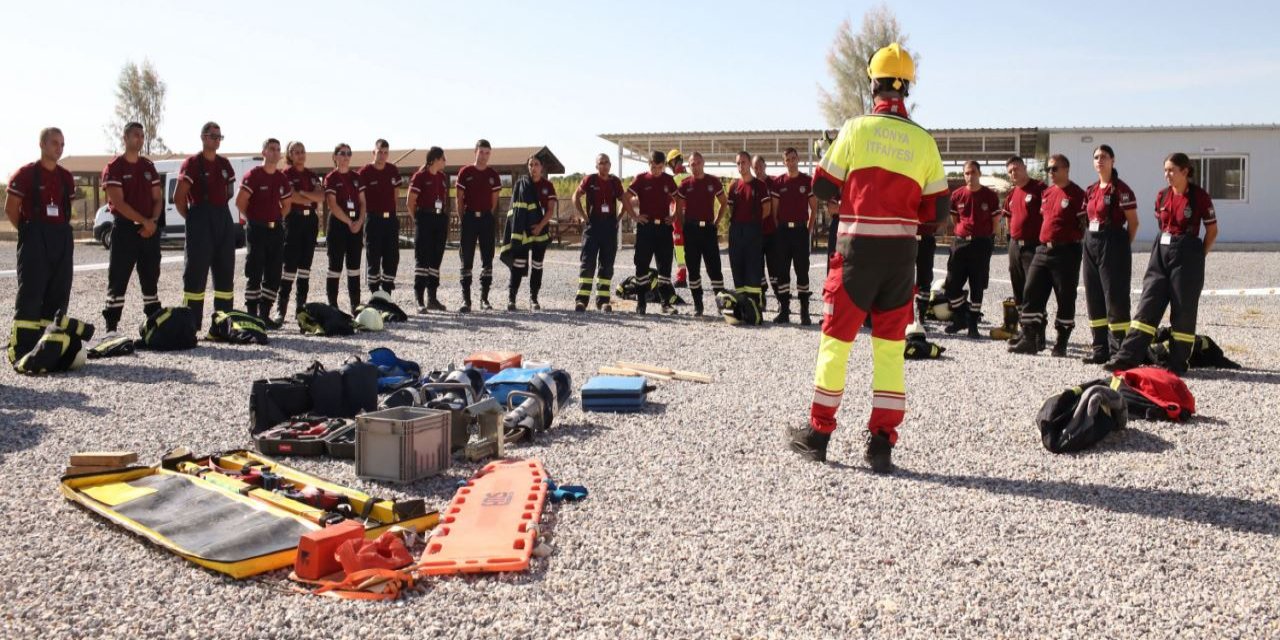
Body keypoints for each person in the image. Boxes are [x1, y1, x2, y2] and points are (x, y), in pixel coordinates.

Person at [788, 43, 948, 473]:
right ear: (906, 89)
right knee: (890, 351)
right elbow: (938, 213)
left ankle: (818, 435)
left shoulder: (855, 129)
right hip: (900, 258)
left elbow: (822, 187)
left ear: (873, 83)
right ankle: (881, 445)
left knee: (835, 344)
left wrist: (855, 191)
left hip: (856, 252)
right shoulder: (924, 141)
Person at [1105, 153, 1218, 374]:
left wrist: (1198, 256)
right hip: (1161, 250)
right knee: (1148, 303)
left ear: (1185, 171)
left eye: (1171, 170)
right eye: (1165, 170)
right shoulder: (1162, 196)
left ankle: (1177, 363)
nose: (1167, 174)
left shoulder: (1199, 197)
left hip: (1188, 253)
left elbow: (1212, 231)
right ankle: (1127, 357)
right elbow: (1161, 223)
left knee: (1183, 309)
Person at [6, 127, 76, 363]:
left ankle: (49, 344)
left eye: (62, 144)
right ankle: (22, 348)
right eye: (55, 143)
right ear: (42, 145)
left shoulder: (66, 177)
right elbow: (11, 209)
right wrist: (29, 234)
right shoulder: (25, 174)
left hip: (62, 239)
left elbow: (68, 211)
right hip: (35, 238)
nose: (59, 148)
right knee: (31, 294)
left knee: (59, 292)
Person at [1009, 154, 1086, 357]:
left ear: (1066, 169)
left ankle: (1061, 341)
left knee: (1065, 296)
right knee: (1031, 291)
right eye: (1048, 169)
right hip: (1042, 250)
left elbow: (1083, 224)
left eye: (1054, 169)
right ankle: (1029, 339)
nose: (1050, 173)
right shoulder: (1048, 193)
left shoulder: (1077, 194)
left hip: (1066, 251)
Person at [173, 122, 238, 330]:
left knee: (225, 271)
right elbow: (179, 197)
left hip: (223, 218)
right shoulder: (192, 163)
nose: (217, 140)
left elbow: (229, 193)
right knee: (196, 273)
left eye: (220, 137)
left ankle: (223, 323)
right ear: (203, 137)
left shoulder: (225, 164)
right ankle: (192, 324)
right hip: (200, 218)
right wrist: (193, 219)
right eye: (213, 136)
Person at [100, 122, 162, 333]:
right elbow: (119, 203)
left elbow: (158, 198)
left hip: (149, 230)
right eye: (136, 135)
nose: (140, 139)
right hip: (125, 230)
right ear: (125, 138)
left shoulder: (148, 167)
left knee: (151, 277)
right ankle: (111, 327)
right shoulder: (115, 167)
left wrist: (151, 222)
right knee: (118, 278)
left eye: (142, 136)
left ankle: (154, 323)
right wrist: (143, 222)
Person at [1080, 144, 1139, 363]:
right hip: (1091, 241)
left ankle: (1118, 351)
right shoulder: (1091, 190)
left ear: (1113, 160)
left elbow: (1133, 222)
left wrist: (1121, 246)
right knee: (1093, 295)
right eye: (1096, 157)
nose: (1099, 160)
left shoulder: (1121, 189)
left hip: (1113, 241)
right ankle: (1099, 349)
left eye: (1104, 156)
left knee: (1114, 297)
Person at [235, 138, 292, 320]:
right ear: (264, 152)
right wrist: (254, 219)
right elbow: (240, 202)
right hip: (257, 230)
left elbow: (287, 205)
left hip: (275, 230)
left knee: (274, 273)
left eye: (277, 149)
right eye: (271, 149)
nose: (275, 152)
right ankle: (252, 313)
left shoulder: (281, 178)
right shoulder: (253, 175)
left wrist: (276, 218)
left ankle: (265, 313)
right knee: (255, 271)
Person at [941, 160, 1000, 337]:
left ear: (979, 173)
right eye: (966, 173)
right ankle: (961, 318)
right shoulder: (957, 195)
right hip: (960, 244)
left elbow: (995, 221)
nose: (970, 176)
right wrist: (962, 234)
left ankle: (973, 325)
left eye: (973, 172)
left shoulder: (990, 195)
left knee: (977, 286)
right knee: (951, 285)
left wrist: (987, 239)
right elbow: (955, 220)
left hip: (981, 244)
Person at [673, 151, 728, 316]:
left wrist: (717, 222)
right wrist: (684, 226)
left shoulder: (713, 181)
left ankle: (721, 304)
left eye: (697, 163)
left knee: (715, 269)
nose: (695, 167)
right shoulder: (685, 184)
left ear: (703, 163)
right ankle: (698, 304)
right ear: (688, 166)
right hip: (691, 230)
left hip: (708, 230)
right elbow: (679, 208)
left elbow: (724, 203)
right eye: (692, 164)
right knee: (693, 269)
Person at [624, 151, 679, 315]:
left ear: (664, 166)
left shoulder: (668, 180)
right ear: (649, 165)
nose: (656, 170)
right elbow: (625, 197)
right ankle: (641, 304)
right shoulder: (641, 179)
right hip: (646, 228)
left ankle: (666, 303)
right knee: (641, 265)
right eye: (653, 167)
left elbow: (678, 200)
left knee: (665, 267)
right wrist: (634, 216)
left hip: (663, 228)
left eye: (660, 167)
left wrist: (674, 216)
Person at [276, 141, 324, 324]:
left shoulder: (312, 176)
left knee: (305, 267)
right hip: (293, 220)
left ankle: (301, 309)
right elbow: (291, 196)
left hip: (310, 221)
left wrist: (303, 192)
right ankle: (281, 310)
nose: (300, 154)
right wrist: (307, 195)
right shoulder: (286, 174)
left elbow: (321, 197)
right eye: (295, 152)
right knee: (289, 267)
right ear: (290, 155)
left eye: (302, 151)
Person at [999, 155, 1046, 339]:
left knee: (1033, 289)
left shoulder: (1040, 189)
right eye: (1010, 171)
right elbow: (1009, 219)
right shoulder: (1011, 195)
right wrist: (1012, 240)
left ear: (1024, 167)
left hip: (1033, 246)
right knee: (1018, 289)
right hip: (1014, 246)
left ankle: (1039, 331)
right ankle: (1024, 329)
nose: (1013, 173)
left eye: (1016, 169)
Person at [770, 147, 818, 325]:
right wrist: (779, 229)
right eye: (787, 159)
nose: (791, 162)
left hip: (800, 232)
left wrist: (808, 229)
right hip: (783, 232)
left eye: (793, 158)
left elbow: (814, 208)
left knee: (802, 271)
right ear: (784, 162)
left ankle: (804, 312)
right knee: (782, 271)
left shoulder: (807, 181)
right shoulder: (778, 182)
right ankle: (784, 310)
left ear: (798, 159)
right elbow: (775, 211)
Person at [573, 154, 627, 313]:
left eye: (606, 163)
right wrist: (584, 216)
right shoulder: (590, 180)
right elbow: (575, 196)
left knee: (606, 266)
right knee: (588, 263)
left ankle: (603, 301)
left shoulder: (615, 182)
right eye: (600, 163)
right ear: (596, 166)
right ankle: (581, 300)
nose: (604, 166)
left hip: (609, 228)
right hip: (593, 227)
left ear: (610, 165)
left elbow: (625, 201)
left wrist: (618, 218)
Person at [501, 155, 556, 311]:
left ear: (542, 167)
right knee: (517, 264)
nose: (533, 167)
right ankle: (511, 299)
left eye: (536, 164)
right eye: (530, 164)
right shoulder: (521, 184)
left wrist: (540, 226)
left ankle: (534, 299)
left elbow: (551, 210)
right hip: (522, 232)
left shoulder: (548, 186)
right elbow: (516, 209)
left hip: (540, 231)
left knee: (537, 265)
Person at [455, 139, 502, 312]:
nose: (484, 156)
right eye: (481, 152)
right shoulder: (465, 172)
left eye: (487, 153)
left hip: (486, 219)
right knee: (466, 259)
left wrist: (485, 214)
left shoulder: (493, 175)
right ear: (475, 151)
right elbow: (459, 198)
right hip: (469, 218)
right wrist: (464, 218)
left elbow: (494, 201)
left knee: (487, 258)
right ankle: (466, 300)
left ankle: (484, 298)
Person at [726, 151, 773, 312]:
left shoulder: (760, 185)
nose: (741, 166)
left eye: (744, 162)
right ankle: (742, 304)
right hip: (736, 231)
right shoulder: (733, 186)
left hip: (753, 231)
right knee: (737, 265)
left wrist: (753, 223)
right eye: (738, 163)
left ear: (749, 164)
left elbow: (766, 209)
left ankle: (755, 304)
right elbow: (731, 209)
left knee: (753, 267)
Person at [323, 143, 366, 313]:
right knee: (335, 267)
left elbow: (363, 202)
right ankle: (333, 304)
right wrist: (349, 222)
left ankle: (355, 304)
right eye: (342, 153)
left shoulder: (357, 177)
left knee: (354, 267)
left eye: (349, 153)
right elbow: (332, 205)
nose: (346, 156)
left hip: (356, 224)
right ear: (335, 156)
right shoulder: (331, 178)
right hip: (339, 225)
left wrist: (360, 221)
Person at [407, 146, 450, 313]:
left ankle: (432, 298)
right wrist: (417, 220)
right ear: (435, 159)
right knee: (422, 260)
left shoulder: (442, 177)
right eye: (443, 158)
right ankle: (419, 298)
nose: (445, 161)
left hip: (439, 219)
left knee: (435, 260)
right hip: (424, 218)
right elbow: (410, 202)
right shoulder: (420, 176)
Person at [359, 139, 403, 296]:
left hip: (390, 219)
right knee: (374, 256)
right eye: (380, 152)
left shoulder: (392, 170)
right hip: (373, 219)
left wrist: (392, 212)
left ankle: (386, 292)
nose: (383, 155)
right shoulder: (364, 172)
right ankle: (374, 293)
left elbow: (396, 193)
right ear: (374, 152)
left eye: (385, 152)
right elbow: (360, 197)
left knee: (392, 256)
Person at [753, 155, 780, 314]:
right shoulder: (753, 185)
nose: (758, 169)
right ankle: (761, 298)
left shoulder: (774, 184)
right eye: (755, 167)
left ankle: (779, 299)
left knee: (774, 268)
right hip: (756, 234)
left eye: (760, 166)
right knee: (758, 268)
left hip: (772, 234)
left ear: (765, 165)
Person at [667, 149, 689, 288]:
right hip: (692, 218)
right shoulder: (692, 176)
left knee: (680, 249)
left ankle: (681, 278)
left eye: (670, 164)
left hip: (678, 221)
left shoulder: (673, 180)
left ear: (674, 162)